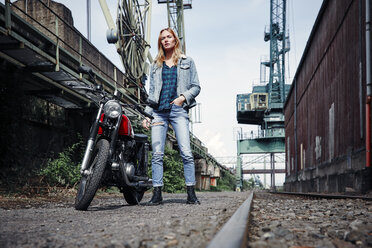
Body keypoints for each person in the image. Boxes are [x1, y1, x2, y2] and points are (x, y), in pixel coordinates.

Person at [142, 28, 201, 205]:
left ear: (175, 40)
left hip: (178, 111)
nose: (166, 40)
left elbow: (196, 86)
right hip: (158, 112)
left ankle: (191, 193)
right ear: (160, 43)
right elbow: (152, 92)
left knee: (186, 153)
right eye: (162, 38)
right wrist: (147, 114)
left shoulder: (187, 61)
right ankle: (157, 194)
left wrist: (183, 98)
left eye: (169, 37)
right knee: (157, 154)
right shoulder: (156, 65)